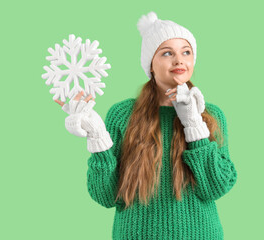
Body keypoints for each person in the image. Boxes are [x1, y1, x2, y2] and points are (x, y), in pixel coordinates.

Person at [55, 11, 237, 240]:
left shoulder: (210, 115)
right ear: (151, 63)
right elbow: (106, 196)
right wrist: (97, 137)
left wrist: (193, 123)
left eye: (186, 52)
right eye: (167, 52)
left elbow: (215, 187)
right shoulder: (123, 115)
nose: (179, 60)